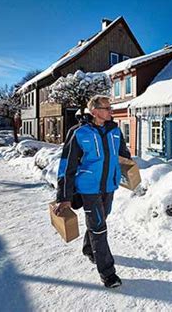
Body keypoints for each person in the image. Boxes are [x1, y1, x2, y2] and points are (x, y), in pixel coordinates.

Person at [54, 95, 131, 288]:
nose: (111, 112)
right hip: (89, 188)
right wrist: (64, 196)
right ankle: (108, 273)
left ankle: (89, 248)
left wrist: (127, 166)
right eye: (107, 108)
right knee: (99, 227)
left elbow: (123, 155)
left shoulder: (115, 131)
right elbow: (67, 165)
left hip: (109, 185)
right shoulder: (79, 132)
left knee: (102, 218)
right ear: (95, 111)